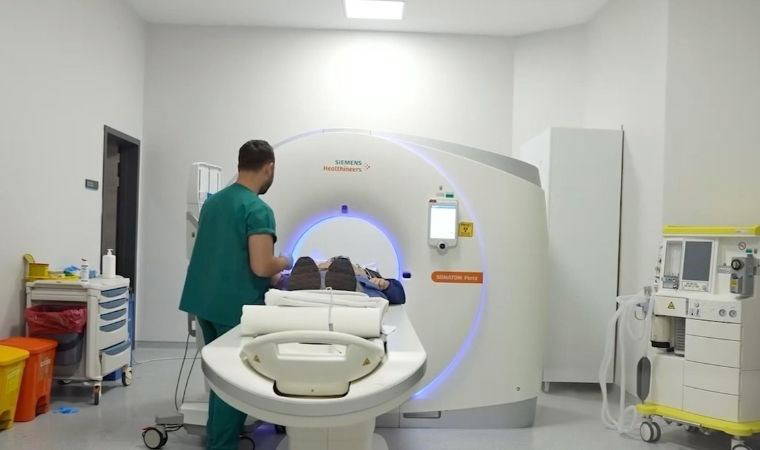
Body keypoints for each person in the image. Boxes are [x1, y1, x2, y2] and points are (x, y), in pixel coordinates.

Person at [179, 139, 293, 450]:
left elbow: (224, 252)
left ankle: (219, 438)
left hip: (205, 302)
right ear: (269, 167)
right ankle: (222, 444)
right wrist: (286, 260)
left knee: (219, 377)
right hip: (235, 308)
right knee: (234, 380)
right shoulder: (258, 209)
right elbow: (262, 266)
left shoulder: (213, 203)